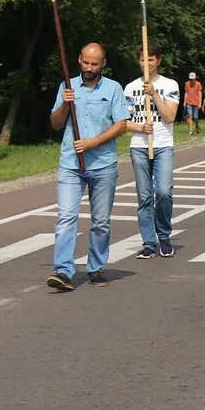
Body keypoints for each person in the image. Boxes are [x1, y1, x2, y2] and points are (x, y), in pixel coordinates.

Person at [46, 43, 129, 291]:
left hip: (103, 165)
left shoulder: (114, 88)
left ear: (103, 64)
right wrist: (64, 103)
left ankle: (96, 267)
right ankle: (63, 271)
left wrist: (93, 143)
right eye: (85, 62)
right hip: (71, 164)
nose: (89, 68)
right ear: (79, 60)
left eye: (94, 64)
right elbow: (56, 123)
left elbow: (121, 125)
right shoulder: (67, 86)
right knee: (66, 217)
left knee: (100, 221)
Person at [124, 44, 180, 259]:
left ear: (158, 61)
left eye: (151, 59)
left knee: (164, 192)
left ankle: (164, 236)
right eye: (143, 60)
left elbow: (170, 117)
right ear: (138, 62)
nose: (147, 64)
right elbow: (122, 123)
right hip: (139, 146)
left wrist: (154, 95)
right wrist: (139, 127)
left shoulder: (170, 84)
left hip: (163, 144)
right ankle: (148, 241)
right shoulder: (130, 88)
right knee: (144, 196)